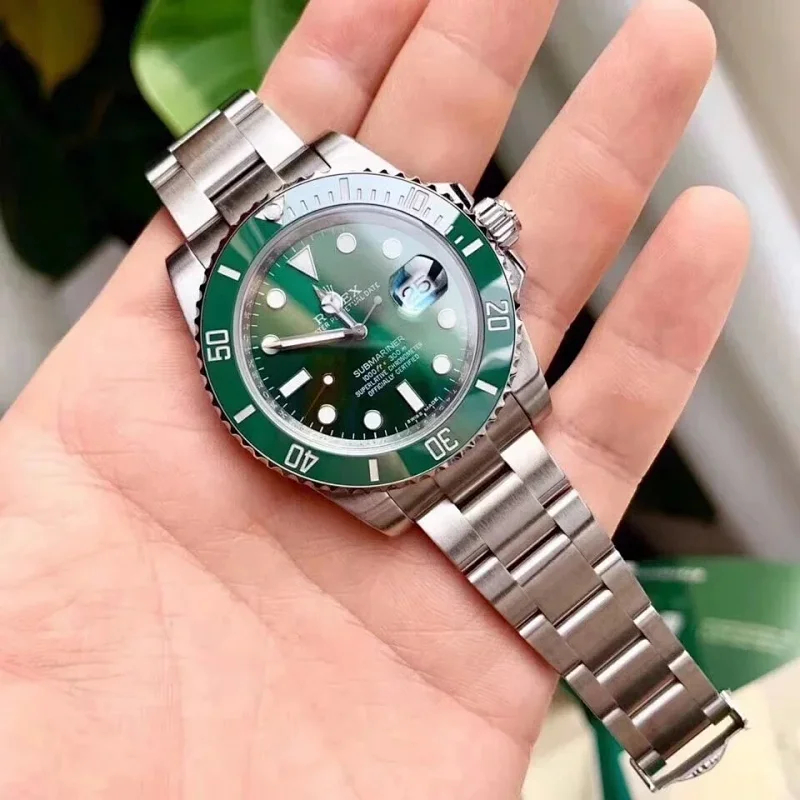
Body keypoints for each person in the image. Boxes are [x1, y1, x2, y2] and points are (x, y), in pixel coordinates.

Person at [0, 0, 750, 796]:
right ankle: (670, 723)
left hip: (452, 397)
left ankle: (671, 718)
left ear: (479, 232)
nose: (355, 332)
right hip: (410, 439)